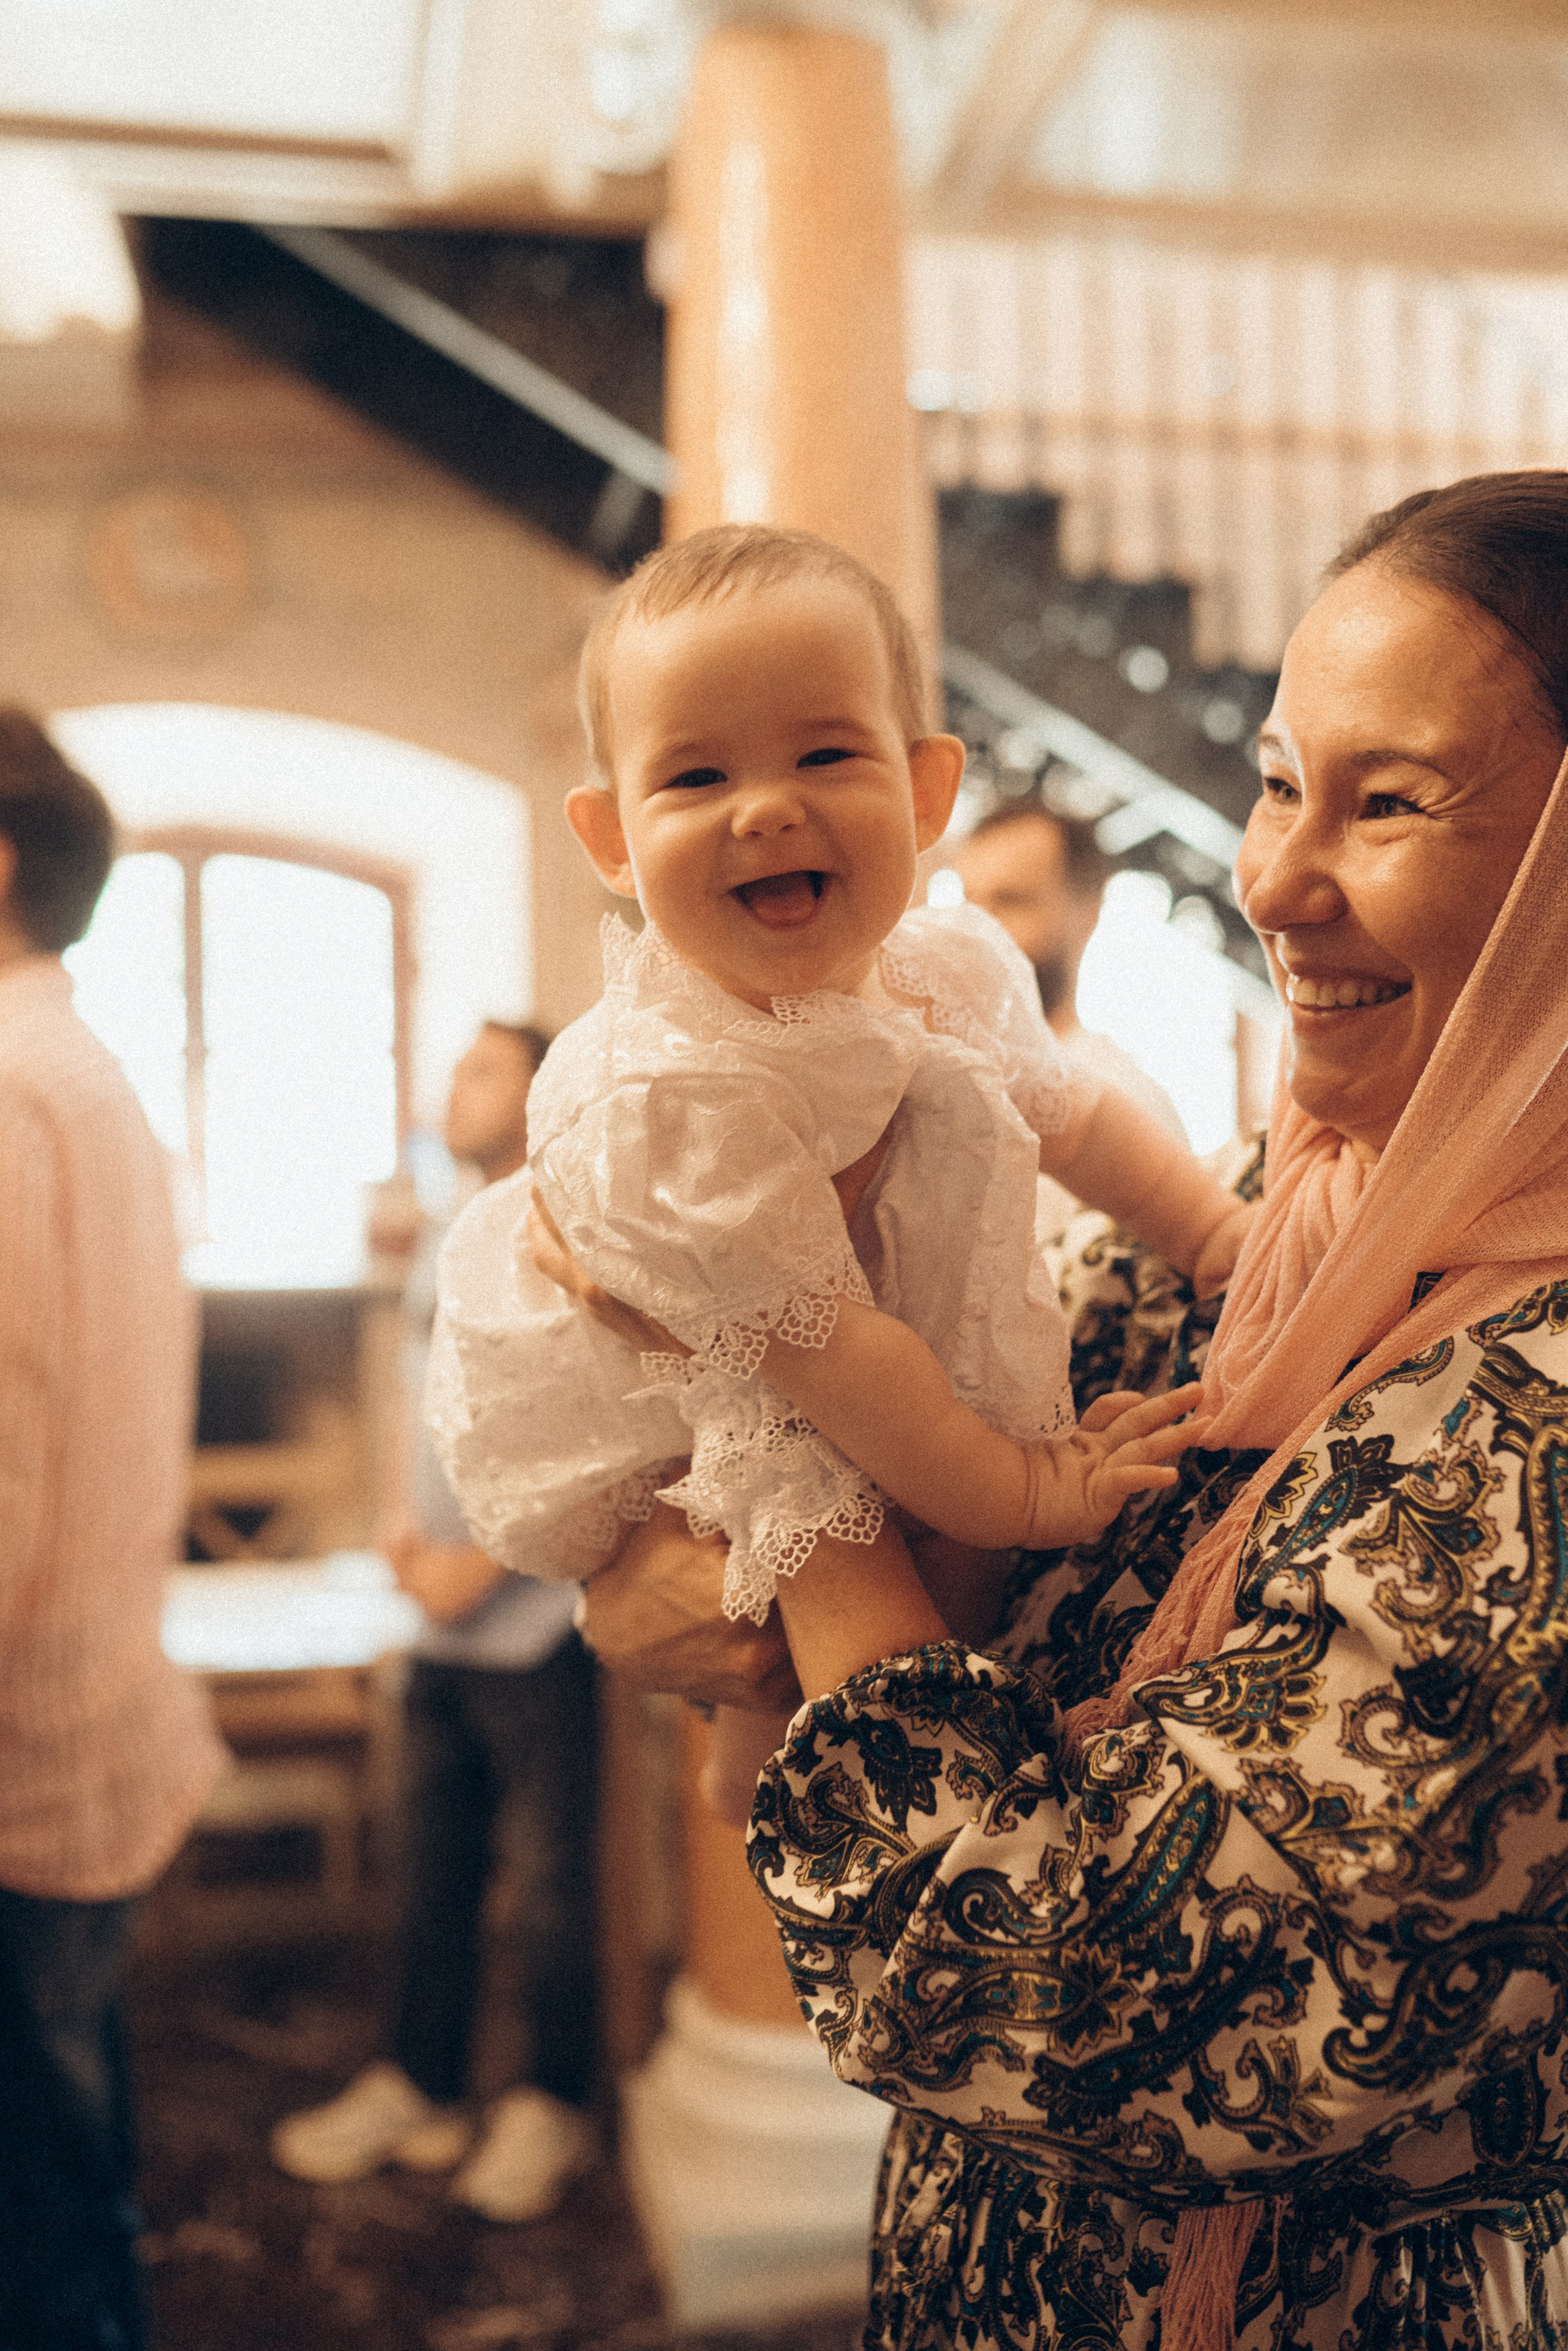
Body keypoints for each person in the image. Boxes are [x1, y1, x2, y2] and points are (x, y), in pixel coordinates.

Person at [556, 471, 1568, 2348]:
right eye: (1276, 778)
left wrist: (795, 1489)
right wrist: (671, 1565)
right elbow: (768, 1552)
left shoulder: (1532, 1446)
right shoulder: (1283, 1242)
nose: (1268, 877)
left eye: (1389, 799)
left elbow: (1058, 2001)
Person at [429, 524, 1254, 1826]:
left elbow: (1080, 1122)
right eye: (695, 775)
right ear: (610, 836)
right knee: (808, 1477)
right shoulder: (666, 1094)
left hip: (851, 1345)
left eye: (826, 753)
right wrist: (1035, 1485)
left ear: (928, 794)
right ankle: (792, 1785)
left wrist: (1214, 1231)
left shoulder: (951, 970)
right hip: (679, 1381)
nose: (767, 806)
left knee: (943, 1505)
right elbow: (844, 1364)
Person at [271, 1021, 599, 2224]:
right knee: (430, 1869)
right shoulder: (450, 1227)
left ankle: (551, 2103)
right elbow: (421, 1400)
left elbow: (592, 1416)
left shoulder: (562, 1217)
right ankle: (422, 2080)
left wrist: (490, 1560)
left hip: (529, 1617)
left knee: (554, 1886)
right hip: (438, 1617)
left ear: (538, 1088)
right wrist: (403, 1523)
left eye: (478, 1069)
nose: (450, 1088)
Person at [0, 711, 225, 2351]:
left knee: (42, 2226)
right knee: (71, 2164)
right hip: (82, 1703)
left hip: (19, 1747)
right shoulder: (77, 1063)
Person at [954, 796, 1186, 1137]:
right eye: (968, 902)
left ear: (1087, 918)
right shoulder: (931, 1070)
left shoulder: (1127, 1104)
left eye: (1011, 902)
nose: (977, 928)